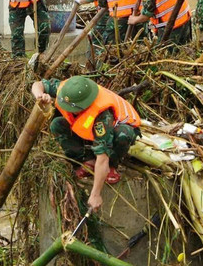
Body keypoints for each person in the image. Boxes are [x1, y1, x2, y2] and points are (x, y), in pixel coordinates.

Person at [32, 76, 141, 211]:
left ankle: (112, 166)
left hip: (117, 128)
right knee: (57, 124)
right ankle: (87, 160)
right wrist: (40, 95)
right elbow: (38, 84)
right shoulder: (66, 89)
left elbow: (102, 158)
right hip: (88, 130)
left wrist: (95, 195)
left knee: (124, 135)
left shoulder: (102, 116)